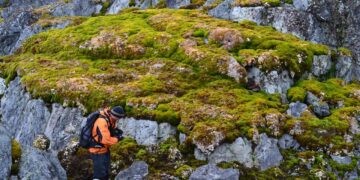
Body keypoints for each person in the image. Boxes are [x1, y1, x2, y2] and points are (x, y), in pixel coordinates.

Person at [89, 106, 125, 180]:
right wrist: (117, 139)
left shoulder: (110, 119)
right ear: (115, 116)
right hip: (97, 151)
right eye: (118, 118)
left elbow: (110, 131)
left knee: (105, 173)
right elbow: (106, 140)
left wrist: (116, 132)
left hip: (104, 150)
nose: (118, 120)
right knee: (99, 175)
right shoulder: (102, 121)